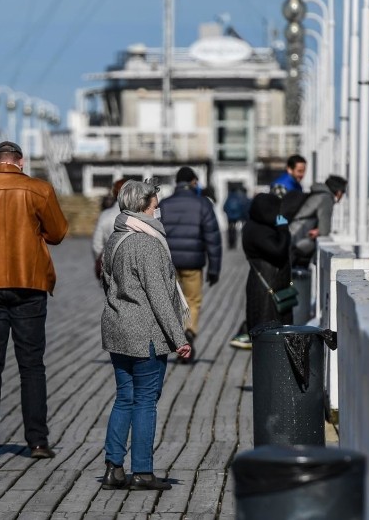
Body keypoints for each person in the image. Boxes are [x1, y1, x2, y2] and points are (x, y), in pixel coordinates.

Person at [0, 140, 69, 461]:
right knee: (32, 365)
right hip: (29, 284)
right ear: (21, 162)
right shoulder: (39, 189)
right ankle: (37, 442)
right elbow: (58, 233)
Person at [100, 180, 191, 491]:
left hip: (117, 328)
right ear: (143, 205)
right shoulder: (148, 244)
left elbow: (107, 282)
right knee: (145, 401)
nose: (158, 206)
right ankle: (142, 471)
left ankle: (114, 467)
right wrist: (180, 338)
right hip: (145, 334)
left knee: (124, 398)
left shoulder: (116, 237)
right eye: (154, 202)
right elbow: (160, 297)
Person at [158, 166, 222, 363]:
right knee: (192, 301)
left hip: (168, 263)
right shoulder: (203, 204)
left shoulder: (164, 204)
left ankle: (178, 338)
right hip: (193, 263)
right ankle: (189, 332)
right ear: (193, 182)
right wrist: (214, 268)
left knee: (173, 302)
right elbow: (213, 238)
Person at [230, 193, 293, 349]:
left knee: (271, 327)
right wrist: (284, 229)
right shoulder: (257, 231)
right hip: (266, 288)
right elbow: (279, 251)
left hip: (267, 285)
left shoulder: (257, 226)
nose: (279, 213)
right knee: (268, 330)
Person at [288, 175, 348, 267]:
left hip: (291, 234)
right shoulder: (326, 198)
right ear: (339, 192)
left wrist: (318, 230)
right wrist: (320, 230)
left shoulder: (318, 194)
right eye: (343, 192)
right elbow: (325, 230)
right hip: (296, 239)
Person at [92, 178, 129, 281]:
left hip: (110, 266)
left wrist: (100, 260)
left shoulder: (105, 215)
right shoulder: (140, 215)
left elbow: (97, 245)